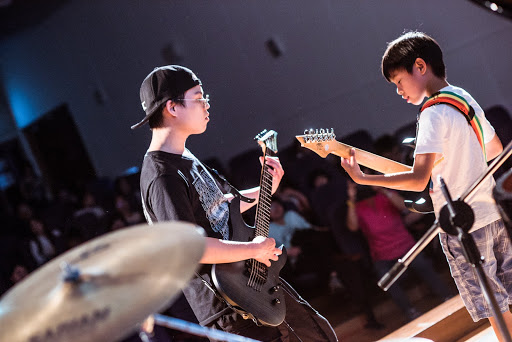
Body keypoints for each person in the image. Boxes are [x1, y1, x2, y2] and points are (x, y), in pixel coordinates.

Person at [131, 65, 337, 341]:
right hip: (227, 302)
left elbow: (223, 206)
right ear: (173, 107)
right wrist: (252, 248)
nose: (207, 105)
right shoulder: (162, 176)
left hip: (254, 279)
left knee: (317, 334)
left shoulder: (186, 157)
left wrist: (267, 188)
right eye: (199, 97)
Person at [340, 31, 508, 340]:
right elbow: (495, 148)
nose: (399, 92)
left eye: (399, 82)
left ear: (419, 66)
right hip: (492, 215)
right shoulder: (462, 97)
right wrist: (460, 159)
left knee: (493, 307)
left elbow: (418, 180)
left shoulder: (431, 114)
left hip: (463, 227)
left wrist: (363, 178)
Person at [346, 181, 452, 321]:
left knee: (424, 266)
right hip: (382, 255)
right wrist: (351, 200)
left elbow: (404, 206)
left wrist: (382, 189)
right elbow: (352, 226)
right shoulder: (357, 207)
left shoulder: (385, 196)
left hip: (406, 246)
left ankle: (447, 297)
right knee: (387, 282)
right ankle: (410, 311)